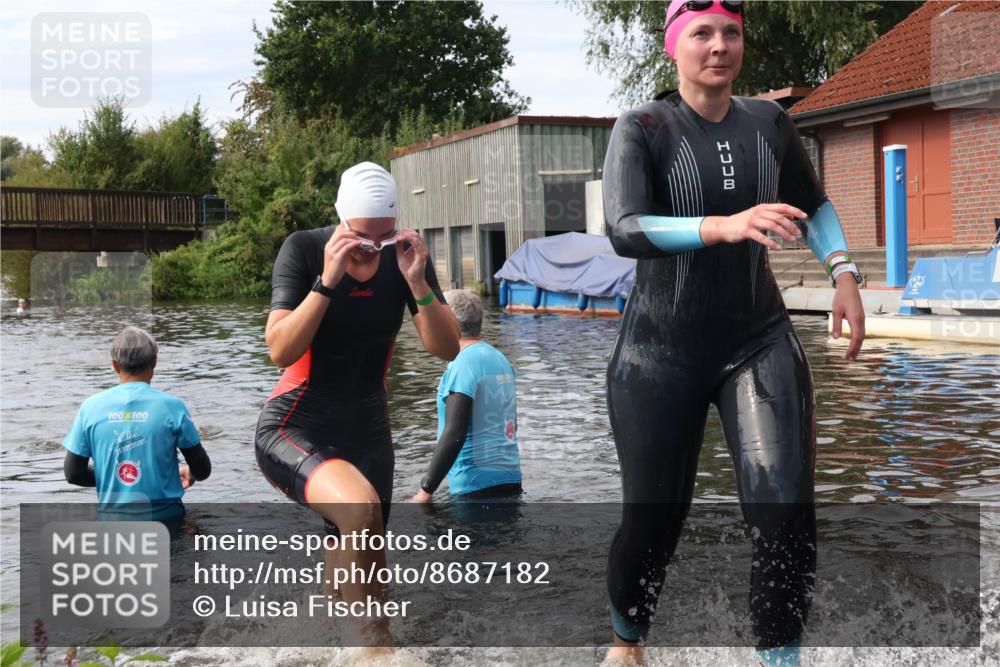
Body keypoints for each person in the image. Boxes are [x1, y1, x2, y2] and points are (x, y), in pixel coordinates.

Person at [601, 1, 866, 665]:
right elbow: (625, 228)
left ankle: (780, 658)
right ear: (673, 46)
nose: (718, 45)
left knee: (785, 515)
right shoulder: (642, 127)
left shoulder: (769, 122)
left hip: (758, 340)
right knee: (653, 524)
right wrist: (720, 225)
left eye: (730, 32)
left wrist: (844, 272)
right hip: (657, 354)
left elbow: (813, 202)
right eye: (701, 33)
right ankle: (627, 644)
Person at [255, 161, 460, 646]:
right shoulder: (304, 250)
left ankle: (328, 649)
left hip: (367, 432)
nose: (374, 250)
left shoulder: (405, 254)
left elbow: (448, 349)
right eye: (364, 240)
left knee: (360, 557)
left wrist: (417, 283)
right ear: (342, 223)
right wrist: (327, 280)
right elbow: (279, 349)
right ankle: (376, 653)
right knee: (361, 508)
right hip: (293, 426)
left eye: (383, 239)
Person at [62, 326, 211, 522]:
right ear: (154, 362)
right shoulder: (172, 407)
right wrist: (188, 473)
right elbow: (202, 470)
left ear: (115, 365)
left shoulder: (90, 408)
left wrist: (118, 482)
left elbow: (74, 474)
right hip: (167, 521)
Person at [410, 289, 522, 504]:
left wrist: (426, 489)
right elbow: (510, 424)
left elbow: (455, 433)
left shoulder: (462, 364)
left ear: (449, 321)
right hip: (511, 479)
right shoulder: (501, 360)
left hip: (472, 486)